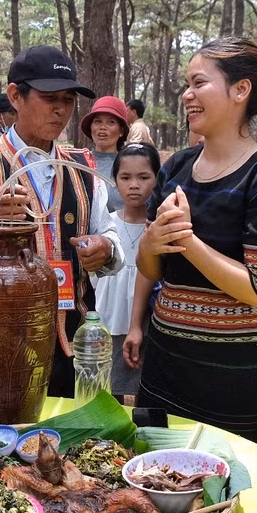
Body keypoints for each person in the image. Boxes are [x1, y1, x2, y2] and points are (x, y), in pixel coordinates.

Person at [132, 37, 257, 445]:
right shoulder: (176, 167)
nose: (187, 95)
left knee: (218, 487)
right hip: (163, 365)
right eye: (186, 85)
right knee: (150, 475)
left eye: (198, 83)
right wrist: (151, 243)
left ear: (240, 90)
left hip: (229, 377)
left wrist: (187, 241)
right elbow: (150, 268)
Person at [0, 45, 124, 398]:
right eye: (49, 97)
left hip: (75, 344)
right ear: (15, 96)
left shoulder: (82, 169)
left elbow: (111, 237)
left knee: (73, 444)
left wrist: (106, 249)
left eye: (68, 100)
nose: (60, 110)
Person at [90, 143, 160, 401]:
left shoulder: (159, 229)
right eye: (125, 177)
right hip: (108, 321)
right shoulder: (105, 225)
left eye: (144, 177)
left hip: (146, 326)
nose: (134, 185)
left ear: (157, 179)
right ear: (115, 181)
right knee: (109, 392)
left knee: (147, 392)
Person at [82, 96, 129, 212]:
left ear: (121, 131)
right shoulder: (79, 162)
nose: (102, 127)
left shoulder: (129, 164)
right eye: (98, 121)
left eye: (111, 122)